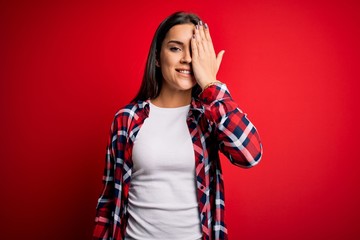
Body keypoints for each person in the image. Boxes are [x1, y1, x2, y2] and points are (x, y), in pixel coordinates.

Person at [93, 11, 263, 240]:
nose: (187, 59)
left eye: (195, 50)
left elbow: (250, 155)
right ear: (156, 57)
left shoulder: (208, 116)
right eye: (175, 48)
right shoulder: (127, 118)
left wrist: (211, 85)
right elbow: (108, 200)